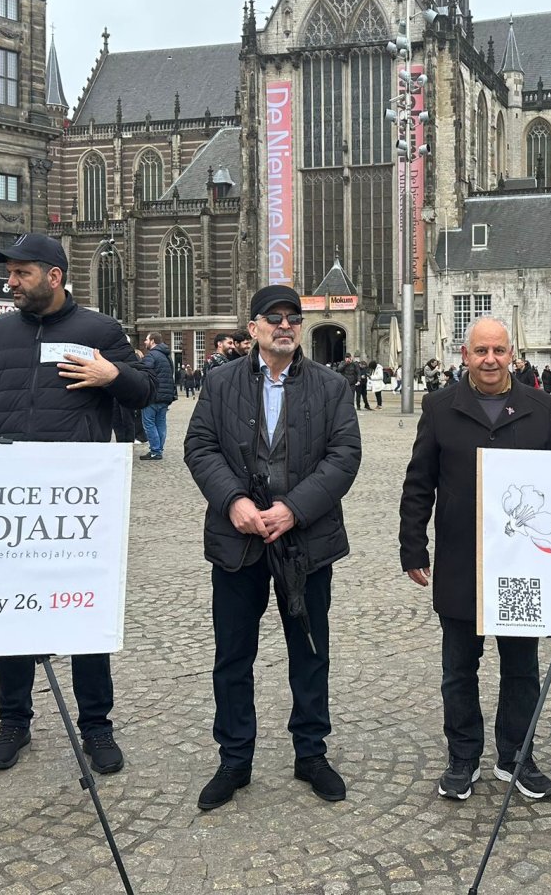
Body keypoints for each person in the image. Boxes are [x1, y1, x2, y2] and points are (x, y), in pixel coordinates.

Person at [0, 233, 156, 777]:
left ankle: (96, 727)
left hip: (74, 503)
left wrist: (114, 375)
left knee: (84, 613)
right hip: (8, 500)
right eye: (10, 274)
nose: (12, 283)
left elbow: (145, 391)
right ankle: (13, 721)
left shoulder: (99, 330)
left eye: (21, 273)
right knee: (10, 614)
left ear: (55, 276)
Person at [184, 285, 361, 811]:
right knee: (233, 656)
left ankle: (311, 753)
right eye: (274, 317)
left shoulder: (331, 386)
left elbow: (344, 456)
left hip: (306, 539)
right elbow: (200, 446)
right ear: (254, 327)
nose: (285, 325)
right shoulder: (220, 383)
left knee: (309, 652)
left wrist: (294, 509)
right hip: (237, 540)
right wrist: (233, 500)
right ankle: (234, 759)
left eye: (293, 318)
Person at [398, 316, 551, 802]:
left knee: (521, 668)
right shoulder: (440, 407)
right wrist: (413, 545)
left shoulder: (539, 407)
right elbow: (419, 483)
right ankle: (463, 757)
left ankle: (516, 755)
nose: (490, 359)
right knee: (458, 669)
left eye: (499, 350)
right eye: (481, 351)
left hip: (521, 564)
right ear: (465, 355)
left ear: (512, 354)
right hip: (461, 559)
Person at [138, 333, 177, 460]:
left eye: (147, 339)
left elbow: (145, 374)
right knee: (161, 423)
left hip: (153, 395)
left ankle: (155, 450)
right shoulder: (167, 356)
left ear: (153, 341)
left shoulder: (151, 355)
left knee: (149, 423)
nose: (145, 342)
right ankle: (158, 450)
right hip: (166, 396)